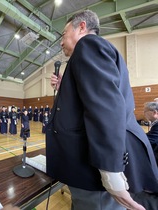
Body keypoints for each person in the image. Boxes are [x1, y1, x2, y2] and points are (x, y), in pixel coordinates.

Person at [47, 10, 158, 210]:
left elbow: (106, 106)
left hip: (94, 172)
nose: (61, 42)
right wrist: (65, 85)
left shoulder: (87, 44)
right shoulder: (91, 53)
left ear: (81, 27)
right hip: (89, 169)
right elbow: (94, 97)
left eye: (63, 35)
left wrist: (111, 171)